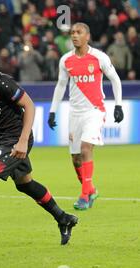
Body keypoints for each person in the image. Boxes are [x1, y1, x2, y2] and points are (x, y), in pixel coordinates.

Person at [0, 35, 78, 252]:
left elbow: (29, 105)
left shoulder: (0, 81)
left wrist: (21, 142)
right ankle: (63, 217)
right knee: (25, 184)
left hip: (17, 139)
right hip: (2, 140)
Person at [48, 23, 123, 211]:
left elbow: (115, 79)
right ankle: (91, 189)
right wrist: (52, 110)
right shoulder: (65, 60)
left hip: (94, 110)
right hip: (74, 113)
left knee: (85, 147)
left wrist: (118, 105)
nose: (74, 35)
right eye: (72, 32)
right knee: (75, 159)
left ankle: (84, 195)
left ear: (87, 36)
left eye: (78, 32)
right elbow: (60, 86)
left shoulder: (99, 57)